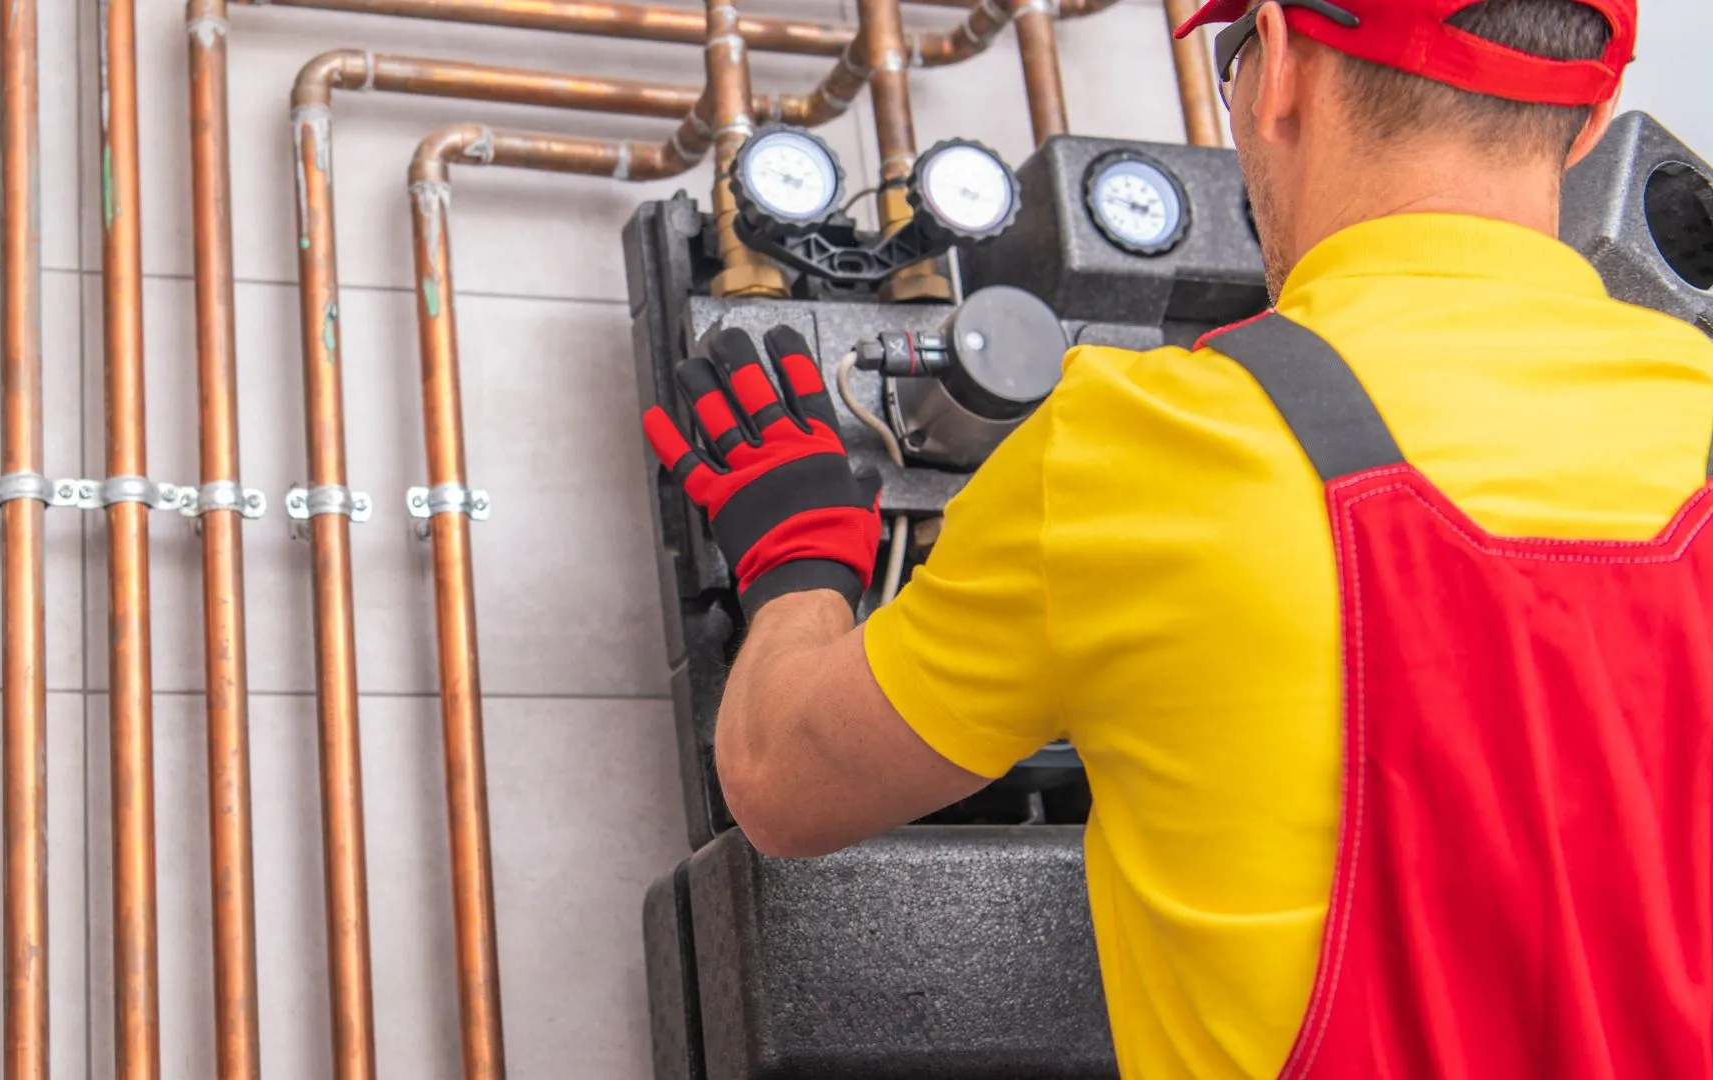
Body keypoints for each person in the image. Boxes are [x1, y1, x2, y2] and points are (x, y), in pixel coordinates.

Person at [641, 0, 1713, 1074]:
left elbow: (783, 782)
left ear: (1279, 66)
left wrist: (798, 557)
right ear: (1590, 119)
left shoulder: (1153, 444)